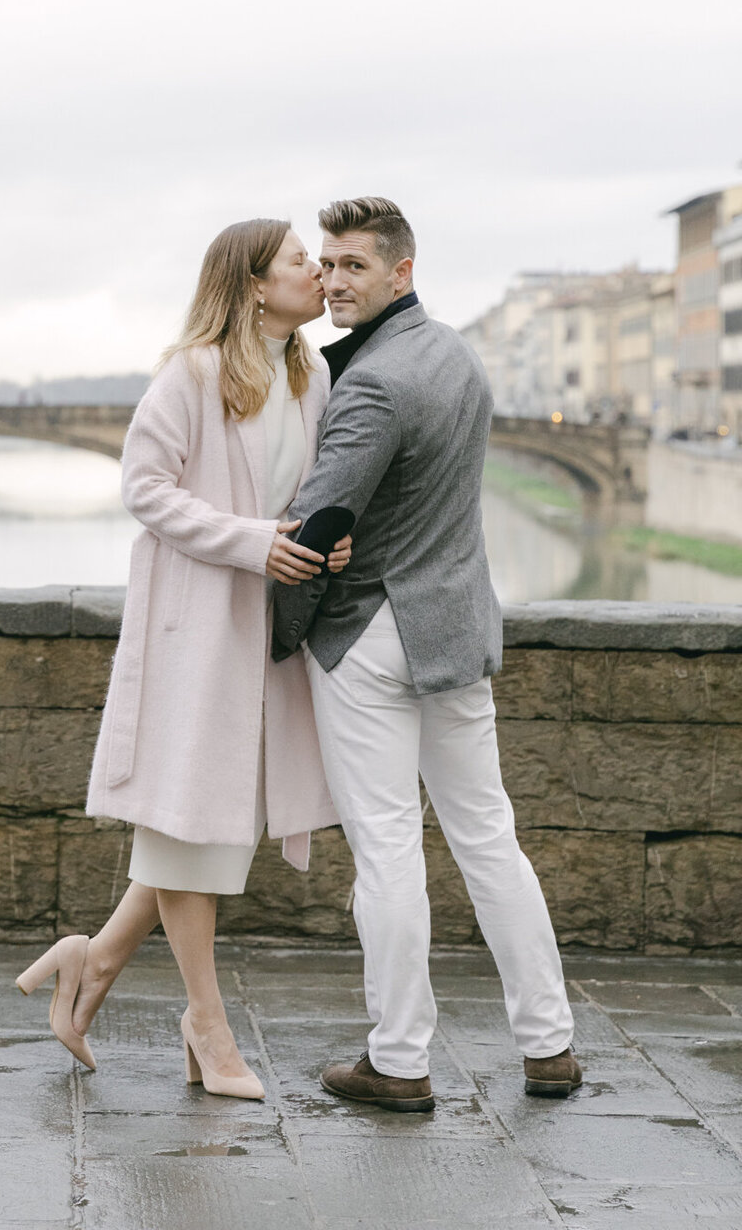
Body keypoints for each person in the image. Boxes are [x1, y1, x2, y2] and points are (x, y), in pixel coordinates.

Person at [17, 218, 346, 1098]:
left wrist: (325, 545)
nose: (317, 272)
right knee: (194, 822)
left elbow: (302, 499)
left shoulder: (307, 375)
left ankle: (93, 958)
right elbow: (144, 486)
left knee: (200, 821)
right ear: (251, 286)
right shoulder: (194, 373)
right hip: (197, 626)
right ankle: (206, 1025)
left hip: (264, 625)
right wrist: (250, 541)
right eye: (299, 262)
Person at [272, 195, 581, 1113]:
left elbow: (318, 523)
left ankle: (400, 1061)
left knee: (389, 853)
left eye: (353, 266)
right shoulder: (455, 355)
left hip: (371, 636)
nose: (332, 281)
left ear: (401, 272)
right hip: (453, 631)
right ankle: (550, 1046)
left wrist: (284, 633)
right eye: (326, 265)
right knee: (490, 839)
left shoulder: (371, 382)